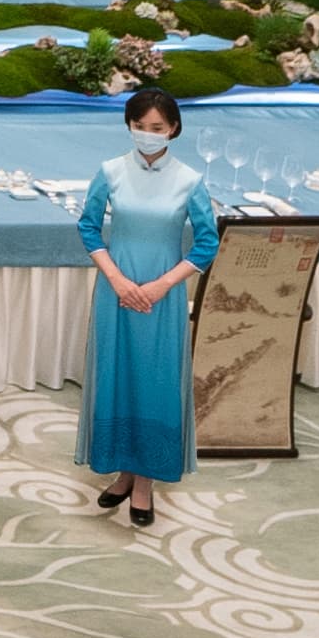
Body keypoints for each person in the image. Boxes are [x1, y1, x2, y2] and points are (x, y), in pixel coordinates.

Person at [76, 85, 207, 529]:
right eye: (139, 126)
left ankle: (145, 480)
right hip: (115, 291)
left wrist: (162, 286)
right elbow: (88, 227)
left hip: (162, 298)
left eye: (156, 127)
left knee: (155, 380)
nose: (147, 134)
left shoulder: (189, 180)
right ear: (129, 126)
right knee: (118, 376)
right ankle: (123, 470)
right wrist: (116, 279)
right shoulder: (111, 172)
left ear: (173, 129)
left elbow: (207, 243)